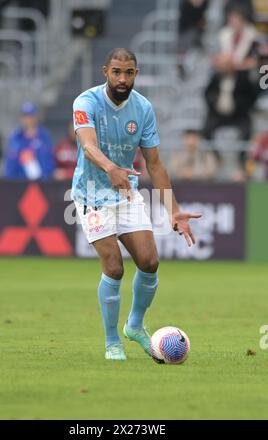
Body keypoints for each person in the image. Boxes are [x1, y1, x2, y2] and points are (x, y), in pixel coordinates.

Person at [72, 48, 202, 361]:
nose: (122, 78)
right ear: (105, 71)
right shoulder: (85, 101)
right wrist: (111, 168)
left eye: (129, 72)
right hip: (91, 194)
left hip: (126, 193)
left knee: (150, 262)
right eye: (116, 71)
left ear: (136, 74)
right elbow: (88, 145)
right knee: (114, 267)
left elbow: (154, 164)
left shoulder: (143, 108)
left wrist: (173, 209)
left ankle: (134, 325)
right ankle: (112, 341)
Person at [203, 6, 260, 166]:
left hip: (239, 110)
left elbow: (257, 63)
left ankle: (242, 163)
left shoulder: (252, 39)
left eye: (236, 19)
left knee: (247, 131)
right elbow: (207, 92)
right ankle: (216, 160)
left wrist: (237, 65)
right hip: (219, 110)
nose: (233, 22)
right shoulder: (223, 37)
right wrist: (214, 105)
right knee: (206, 130)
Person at [4, 102, 54, 180]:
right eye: (25, 117)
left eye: (30, 116)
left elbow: (48, 161)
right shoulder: (15, 137)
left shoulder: (44, 136)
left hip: (41, 184)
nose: (28, 120)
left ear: (35, 117)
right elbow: (10, 163)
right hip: (18, 184)